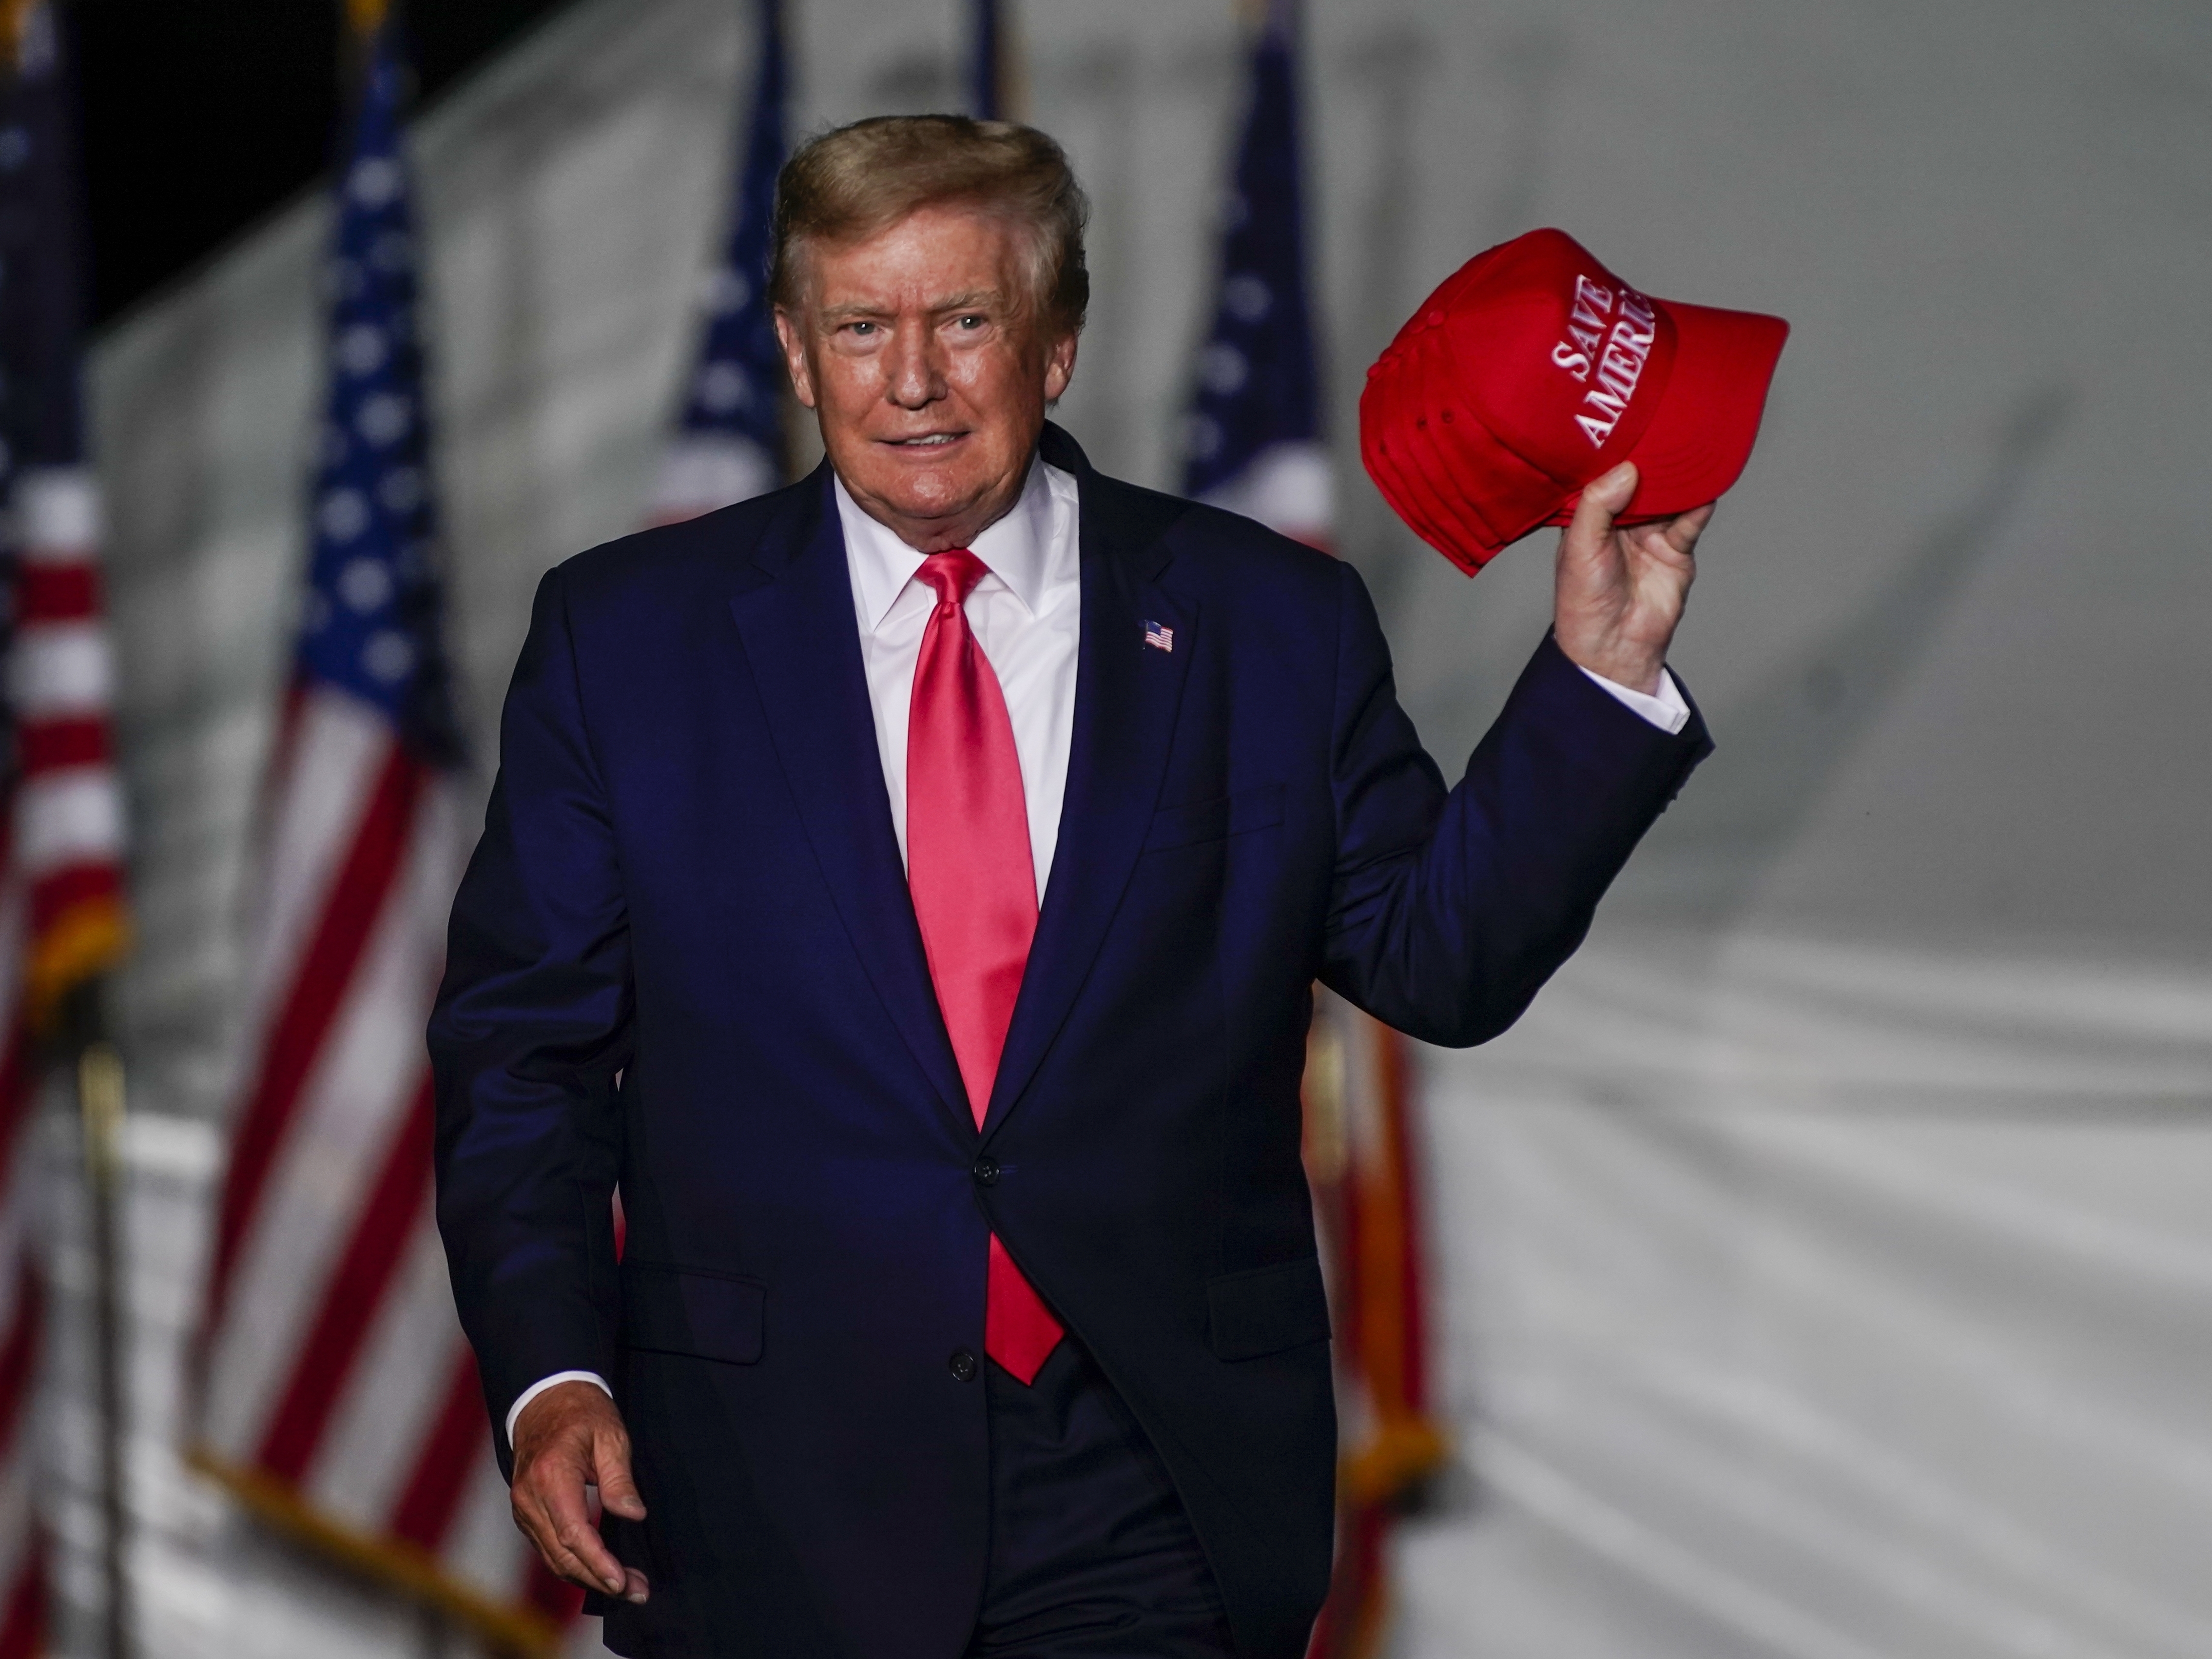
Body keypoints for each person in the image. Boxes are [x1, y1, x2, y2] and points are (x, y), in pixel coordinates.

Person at [430, 116, 1712, 1659]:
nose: (911, 380)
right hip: (764, 1484)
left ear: (1053, 348)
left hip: (1146, 1473)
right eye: (859, 327)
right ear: (791, 350)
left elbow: (1440, 961)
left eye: (964, 321)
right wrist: (549, 1375)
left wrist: (1600, 674)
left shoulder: (1263, 624)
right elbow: (525, 1059)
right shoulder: (625, 641)